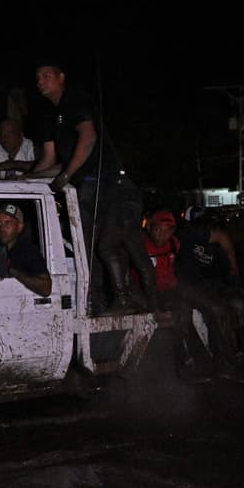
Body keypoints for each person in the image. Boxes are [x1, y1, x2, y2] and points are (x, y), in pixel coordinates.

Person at [29, 60, 145, 313]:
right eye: (38, 77)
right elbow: (49, 159)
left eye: (46, 75)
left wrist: (67, 174)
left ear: (61, 77)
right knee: (85, 246)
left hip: (106, 182)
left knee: (102, 244)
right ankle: (95, 300)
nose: (40, 81)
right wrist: (27, 178)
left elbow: (88, 136)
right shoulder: (49, 114)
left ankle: (122, 299)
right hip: (83, 186)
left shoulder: (76, 100)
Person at [141, 209, 244, 383]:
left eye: (167, 230)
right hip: (151, 290)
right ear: (150, 228)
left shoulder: (175, 244)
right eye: (158, 229)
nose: (162, 235)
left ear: (173, 232)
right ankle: (188, 366)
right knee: (182, 311)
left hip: (174, 285)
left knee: (217, 308)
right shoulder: (139, 245)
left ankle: (227, 366)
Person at [177, 207, 244, 372]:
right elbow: (219, 238)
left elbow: (230, 263)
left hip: (219, 285)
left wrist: (236, 283)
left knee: (241, 304)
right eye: (201, 224)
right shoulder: (186, 236)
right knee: (219, 310)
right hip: (197, 287)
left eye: (208, 223)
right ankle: (230, 359)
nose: (207, 229)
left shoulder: (218, 240)